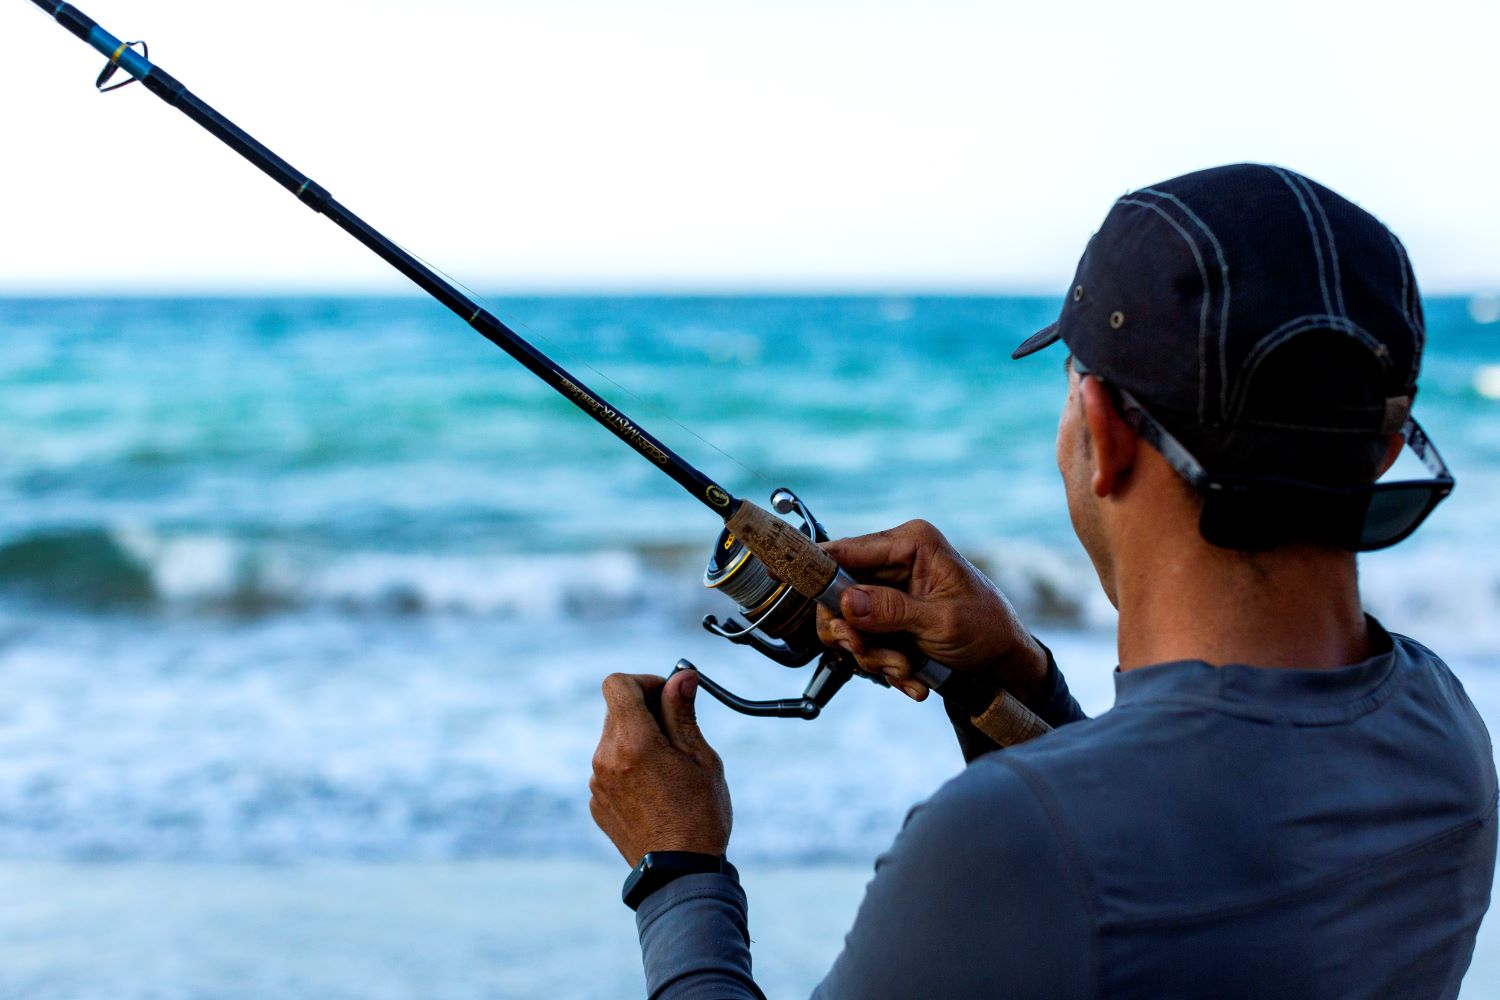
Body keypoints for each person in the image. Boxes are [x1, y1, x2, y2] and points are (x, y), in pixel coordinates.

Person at [587, 163, 1498, 998]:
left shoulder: (999, 847)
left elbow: (1100, 861)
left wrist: (677, 868)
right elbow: (1165, 868)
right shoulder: (1443, 737)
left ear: (1102, 432)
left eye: (1070, 384)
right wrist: (1011, 678)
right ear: (1382, 449)